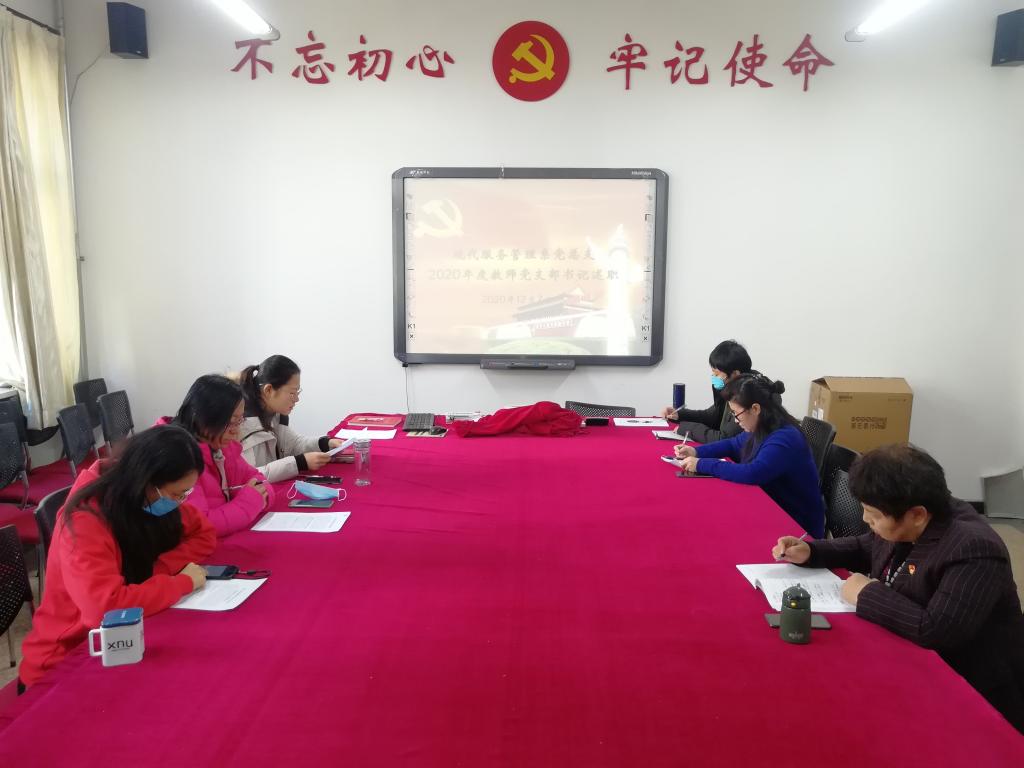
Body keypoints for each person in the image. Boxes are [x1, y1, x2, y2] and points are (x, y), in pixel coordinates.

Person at [772, 444, 1024, 733]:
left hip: (974, 690)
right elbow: (866, 546)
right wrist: (812, 551)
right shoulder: (912, 514)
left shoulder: (974, 548)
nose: (866, 521)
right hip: (914, 660)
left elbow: (936, 629)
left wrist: (866, 593)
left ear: (917, 514)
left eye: (873, 515)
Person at [18, 426, 215, 689]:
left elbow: (204, 534)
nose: (180, 503)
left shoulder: (149, 499)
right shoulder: (84, 520)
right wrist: (181, 583)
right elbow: (104, 609)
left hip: (126, 640)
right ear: (146, 481)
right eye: (176, 495)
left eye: (185, 495)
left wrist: (160, 569)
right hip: (66, 661)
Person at [674, 373, 825, 539]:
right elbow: (733, 444)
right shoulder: (763, 426)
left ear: (755, 409)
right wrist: (696, 452)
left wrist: (701, 464)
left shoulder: (785, 438)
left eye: (736, 414)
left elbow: (753, 473)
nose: (735, 421)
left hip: (796, 529)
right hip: (771, 509)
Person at [164, 374, 274, 536]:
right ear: (202, 417)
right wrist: (249, 502)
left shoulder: (223, 446)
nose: (236, 431)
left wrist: (255, 496)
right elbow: (198, 525)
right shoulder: (176, 456)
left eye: (240, 421)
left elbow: (259, 481)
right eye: (231, 422)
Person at [235, 355, 344, 482]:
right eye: (292, 393)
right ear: (268, 390)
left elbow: (293, 444)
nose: (297, 399)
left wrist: (324, 443)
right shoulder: (241, 425)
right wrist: (299, 463)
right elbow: (250, 476)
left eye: (298, 392)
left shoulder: (275, 414)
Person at [660, 339, 754, 443]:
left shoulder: (748, 395)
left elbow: (724, 439)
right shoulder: (730, 389)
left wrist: (687, 429)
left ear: (735, 374)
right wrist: (679, 414)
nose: (713, 377)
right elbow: (711, 416)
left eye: (717, 373)